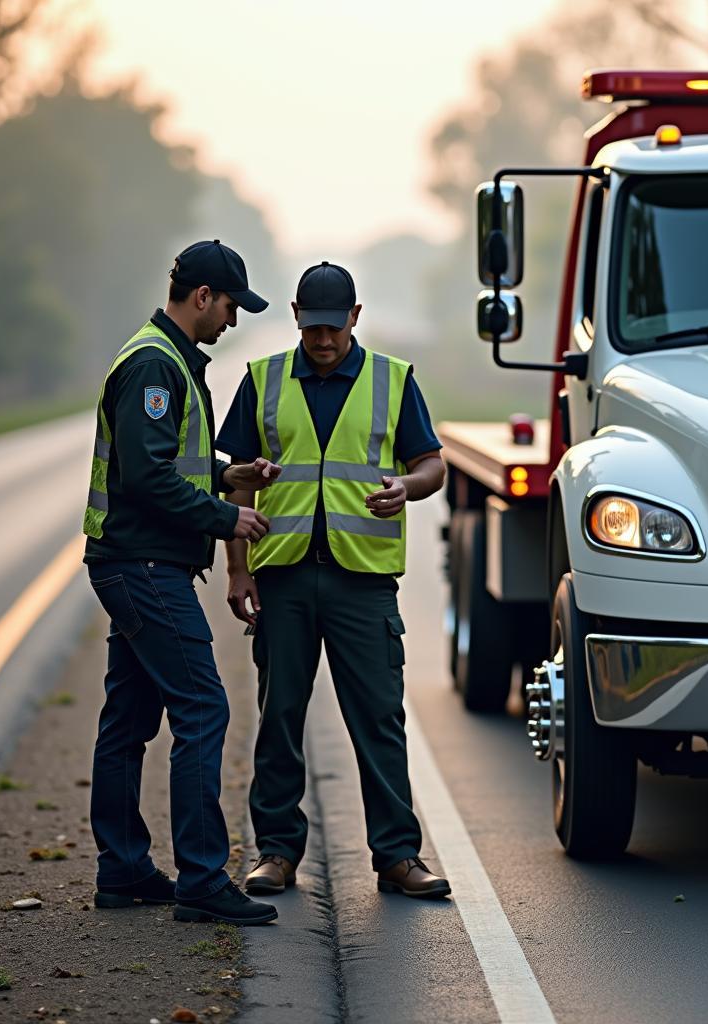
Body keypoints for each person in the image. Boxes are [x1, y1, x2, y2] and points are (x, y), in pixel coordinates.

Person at [216, 261, 450, 899]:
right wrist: (237, 570)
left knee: (378, 719)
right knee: (279, 717)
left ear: (355, 317)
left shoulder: (392, 380)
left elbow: (432, 464)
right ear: (295, 316)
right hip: (283, 579)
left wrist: (408, 487)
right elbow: (229, 478)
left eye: (333, 327)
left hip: (362, 583)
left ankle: (399, 856)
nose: (322, 340)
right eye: (312, 327)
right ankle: (276, 852)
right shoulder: (262, 380)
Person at [83, 239, 283, 925]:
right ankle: (201, 879)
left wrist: (231, 474)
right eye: (230, 306)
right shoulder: (155, 367)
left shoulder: (166, 359)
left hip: (134, 561)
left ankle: (125, 870)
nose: (232, 320)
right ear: (203, 297)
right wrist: (227, 518)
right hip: (143, 567)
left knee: (130, 719)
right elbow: (146, 478)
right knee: (203, 708)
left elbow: (171, 464)